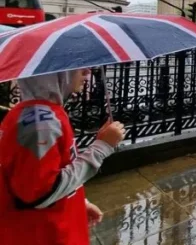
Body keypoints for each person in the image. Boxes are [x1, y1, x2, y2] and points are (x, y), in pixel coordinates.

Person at [0, 70, 126, 245]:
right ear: (54, 74)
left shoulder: (42, 114)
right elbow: (41, 194)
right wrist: (101, 148)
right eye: (77, 66)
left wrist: (79, 201)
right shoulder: (40, 124)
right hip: (47, 234)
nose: (87, 71)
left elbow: (52, 172)